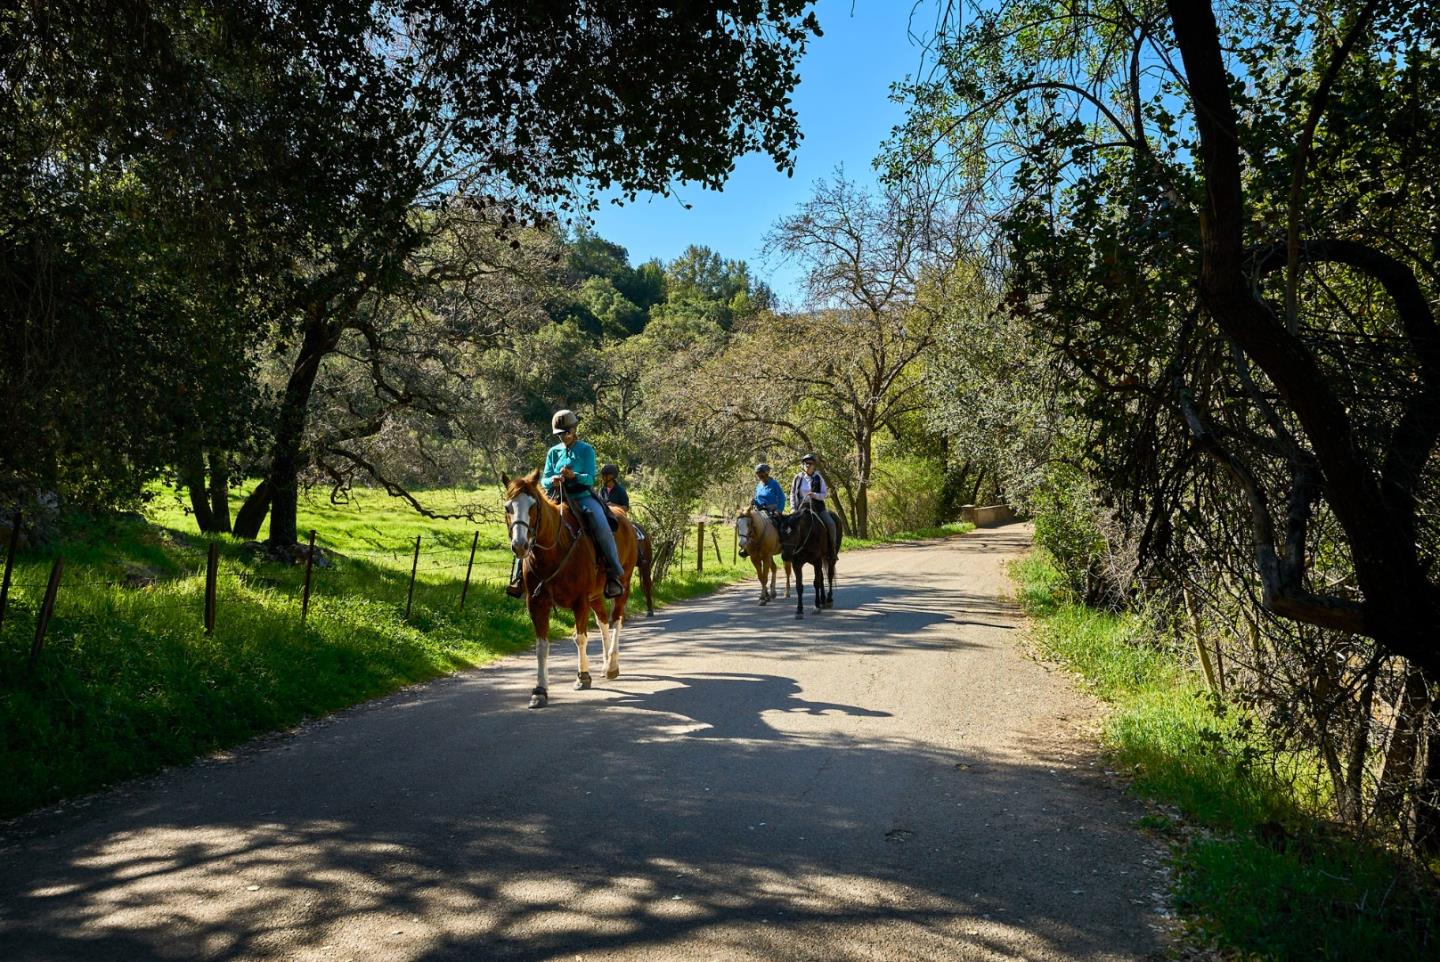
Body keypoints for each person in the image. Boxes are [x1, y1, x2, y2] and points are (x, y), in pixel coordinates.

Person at [507, 409, 624, 599]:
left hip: (582, 496)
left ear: (574, 429)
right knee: (529, 524)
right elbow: (544, 479)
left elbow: (590, 479)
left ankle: (613, 574)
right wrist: (552, 480)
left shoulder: (586, 450)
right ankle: (519, 576)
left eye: (567, 432)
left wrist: (574, 476)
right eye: (560, 434)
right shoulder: (553, 452)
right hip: (557, 497)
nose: (564, 437)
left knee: (601, 525)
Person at [789, 453, 837, 554]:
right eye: (805, 463)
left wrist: (815, 495)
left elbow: (824, 494)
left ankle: (832, 548)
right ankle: (789, 551)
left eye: (810, 463)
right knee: (787, 526)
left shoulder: (818, 477)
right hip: (801, 508)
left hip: (817, 508)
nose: (807, 465)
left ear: (814, 465)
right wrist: (793, 508)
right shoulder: (798, 478)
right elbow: (792, 494)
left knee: (831, 524)